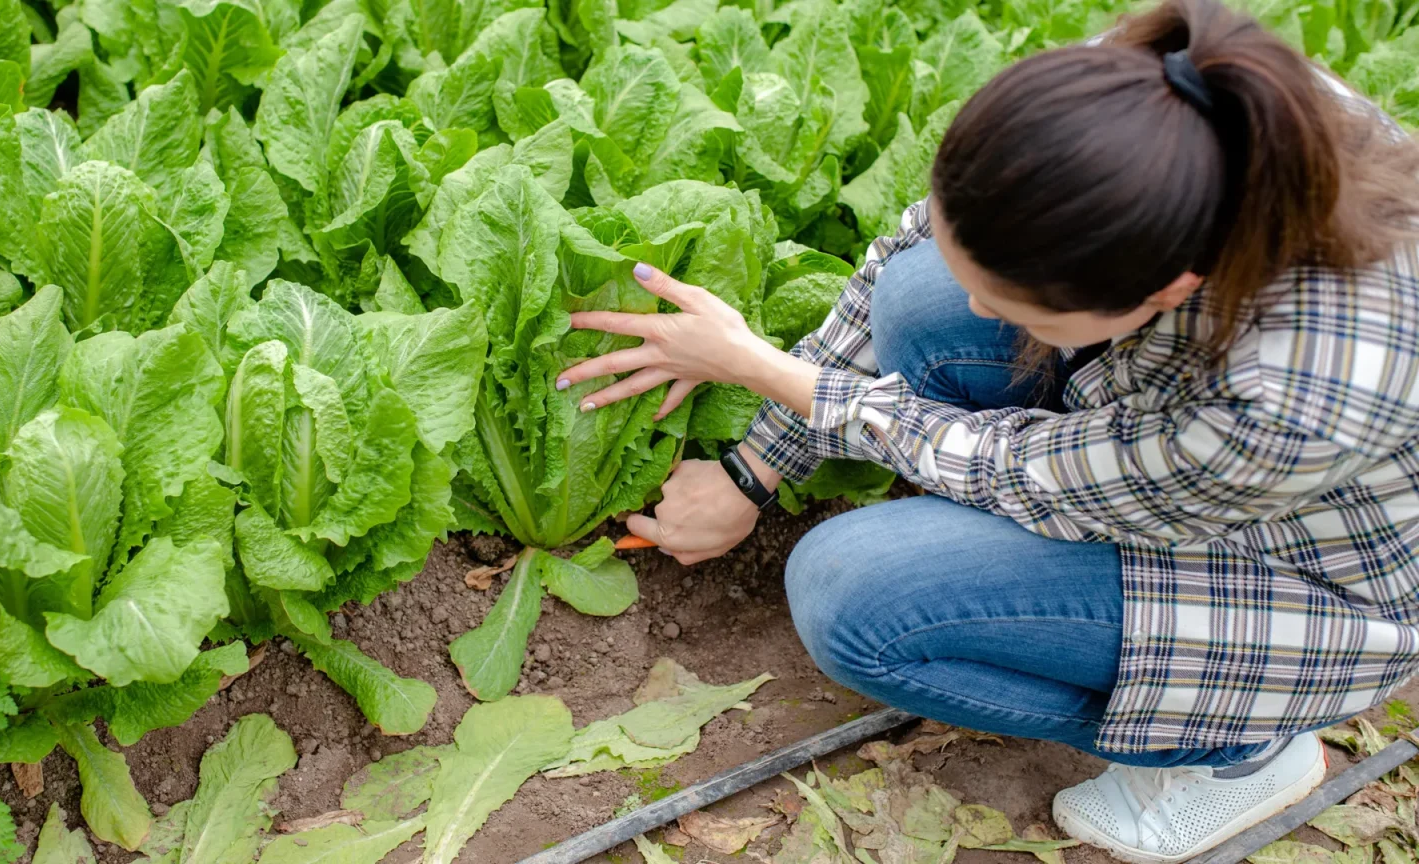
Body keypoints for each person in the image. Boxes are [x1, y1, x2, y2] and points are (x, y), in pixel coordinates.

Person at [557, 0, 1419, 860]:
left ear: (1164, 288)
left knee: (851, 596)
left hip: (1309, 578)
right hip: (1153, 450)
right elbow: (910, 249)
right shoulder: (1147, 108)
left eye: (1009, 305)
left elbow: (1025, 470)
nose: (982, 313)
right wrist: (756, 465)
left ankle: (1238, 755)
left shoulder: (1294, 398)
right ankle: (1025, 587)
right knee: (920, 296)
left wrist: (766, 371)